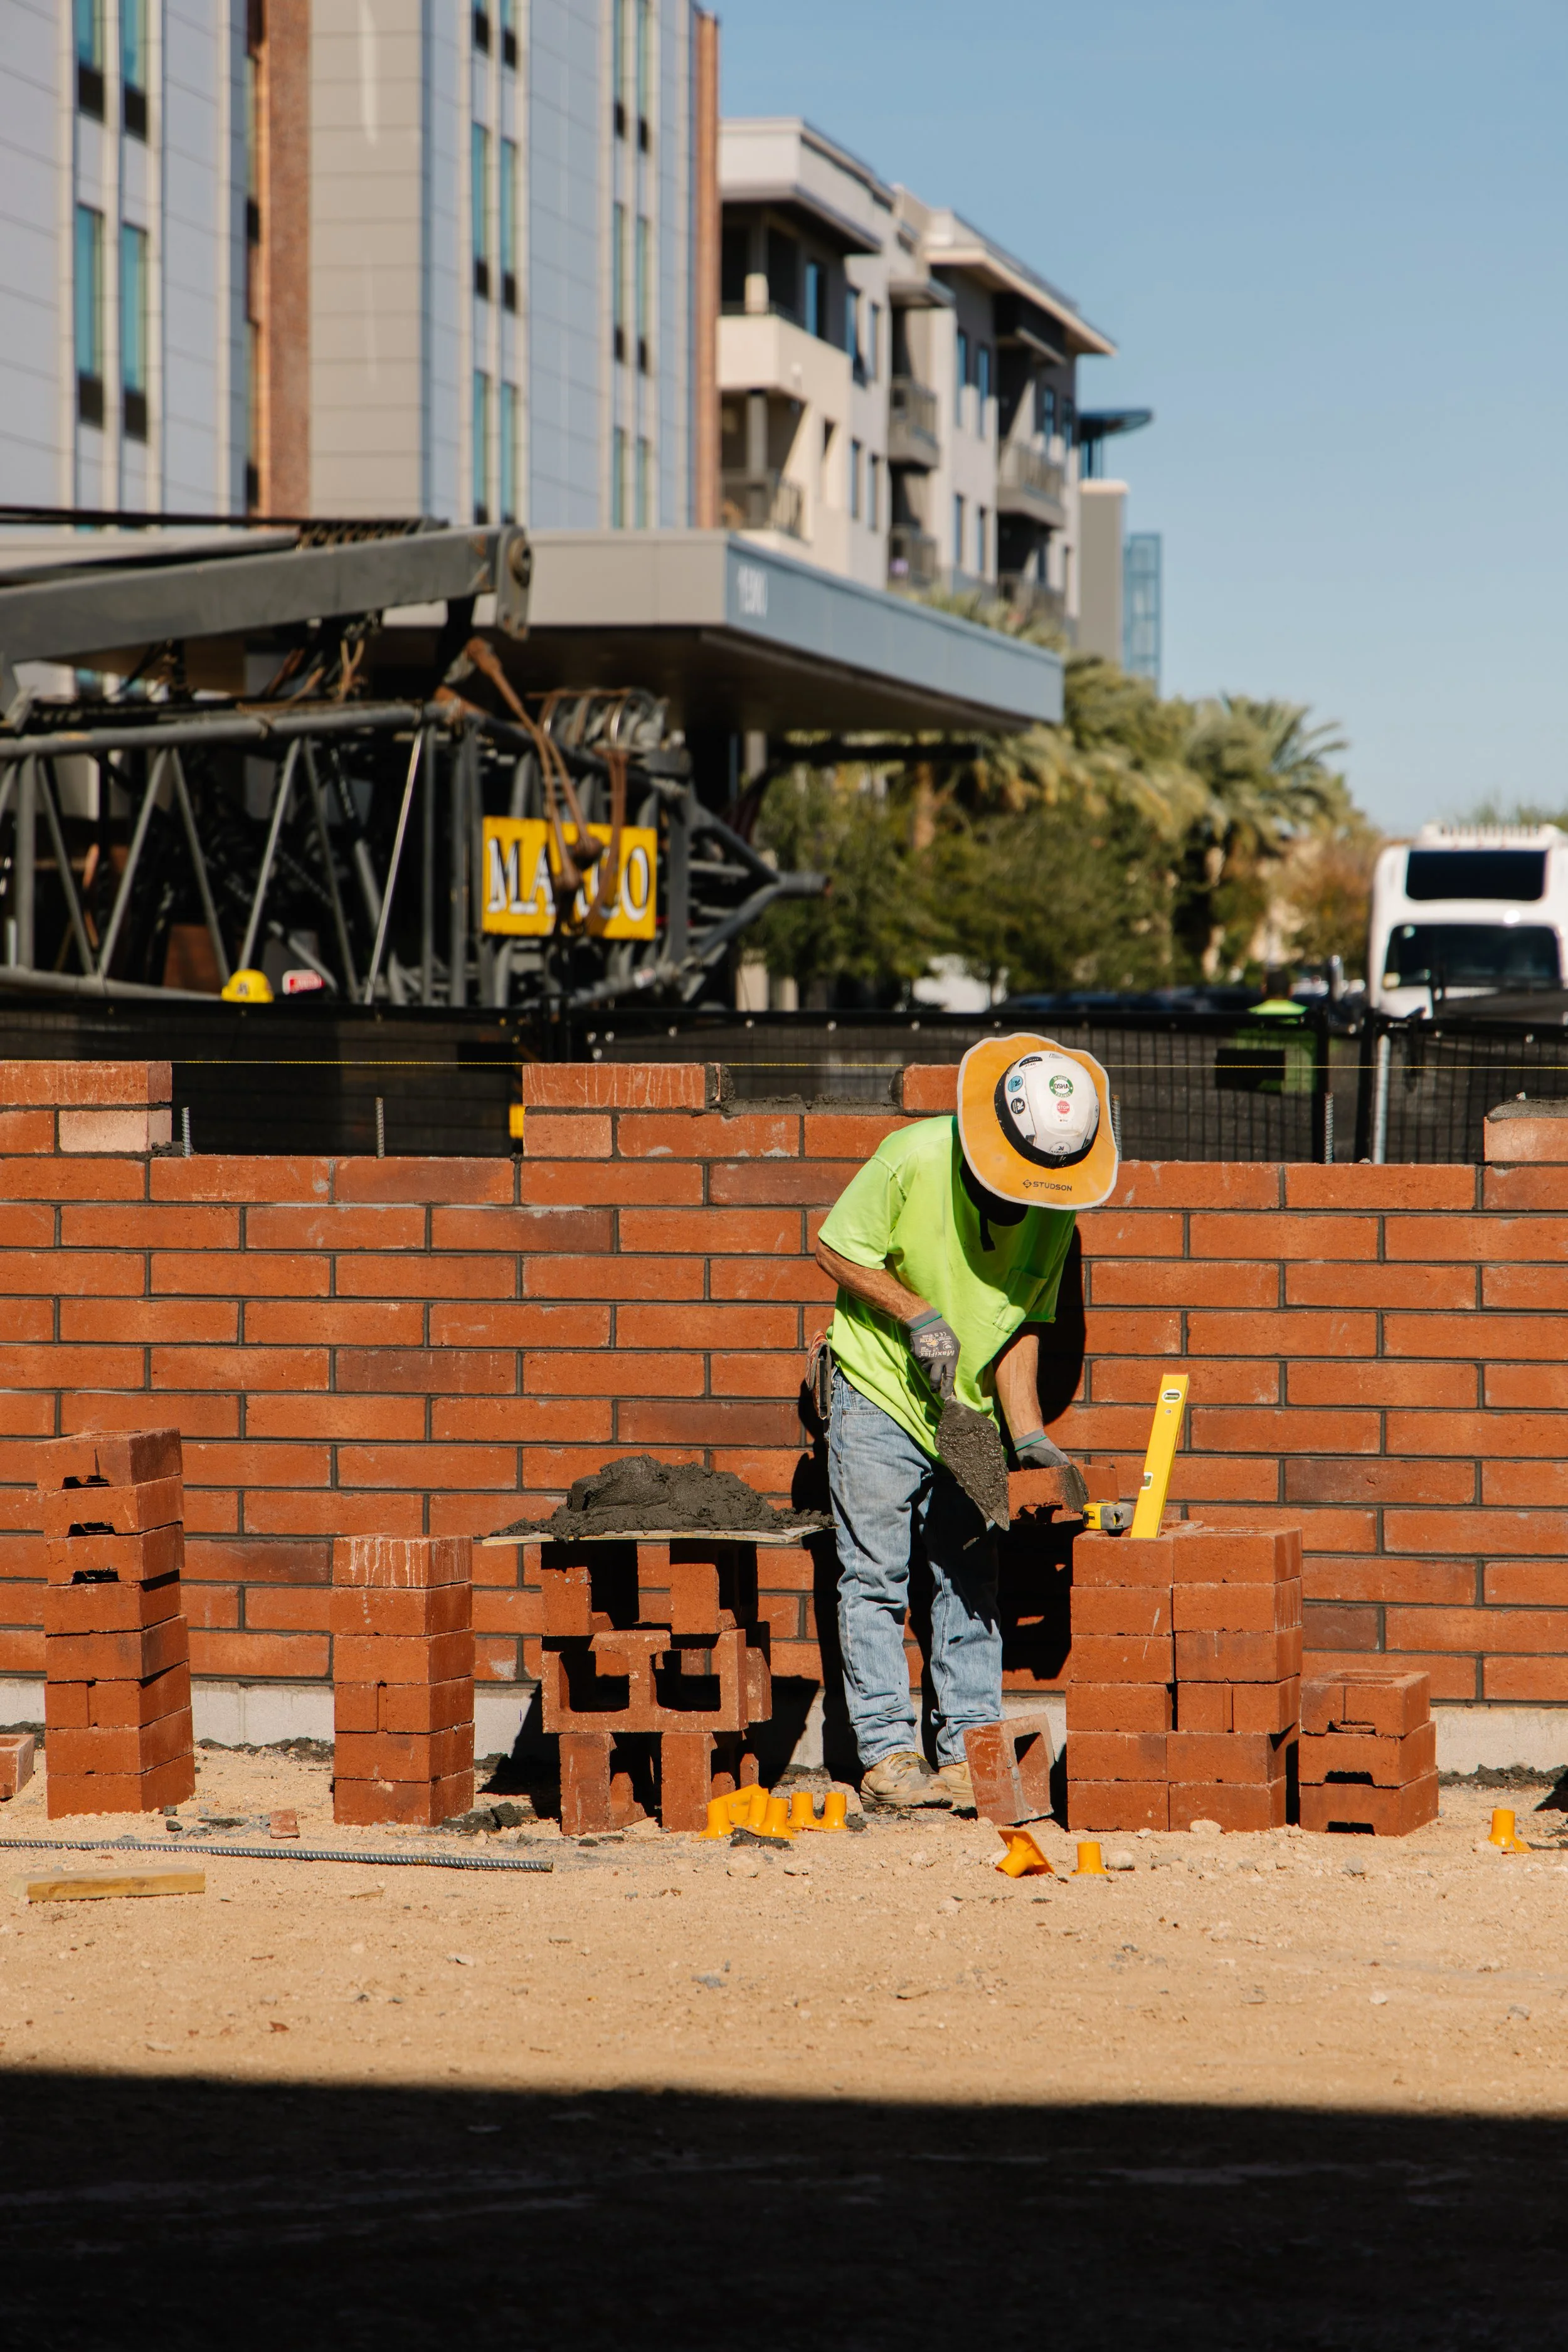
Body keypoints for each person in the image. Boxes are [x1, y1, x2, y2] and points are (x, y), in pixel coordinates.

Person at [813, 1034, 1120, 1809]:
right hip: (879, 1388)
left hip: (966, 1413)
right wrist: (915, 1313)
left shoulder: (1054, 1209)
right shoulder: (913, 1155)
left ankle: (968, 1749)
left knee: (970, 1578)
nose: (1024, 1199)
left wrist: (1027, 1435)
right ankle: (884, 1754)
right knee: (875, 1576)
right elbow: (835, 1245)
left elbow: (1021, 1323)